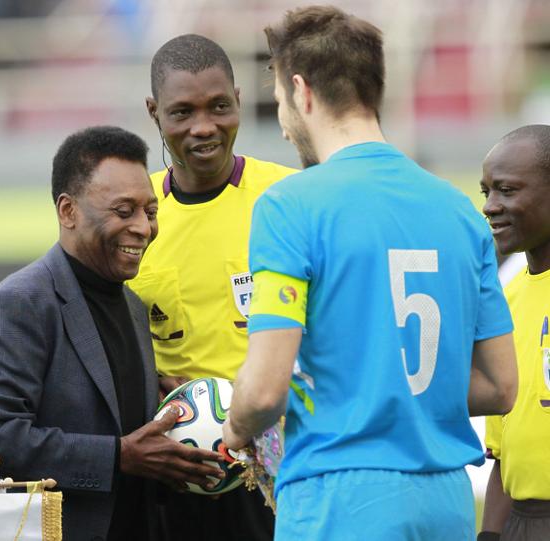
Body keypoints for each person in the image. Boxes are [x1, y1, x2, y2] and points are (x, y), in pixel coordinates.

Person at [221, 6, 518, 540]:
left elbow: (264, 392)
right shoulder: (458, 213)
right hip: (446, 501)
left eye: (282, 104)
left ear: (300, 90)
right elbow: (500, 387)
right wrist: (390, 385)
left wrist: (234, 427)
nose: (285, 127)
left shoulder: (288, 205)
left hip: (339, 496)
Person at [0, 125, 225, 541]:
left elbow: (124, 428)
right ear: (68, 210)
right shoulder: (21, 301)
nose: (143, 229)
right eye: (123, 211)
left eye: (150, 212)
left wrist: (178, 436)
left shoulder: (132, 306)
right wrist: (118, 457)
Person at [127, 34, 296, 540]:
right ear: (154, 113)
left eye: (219, 106)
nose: (205, 127)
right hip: (173, 469)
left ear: (240, 101)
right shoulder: (133, 212)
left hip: (278, 464)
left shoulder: (289, 197)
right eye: (183, 112)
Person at [480, 125, 550, 541]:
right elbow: (503, 458)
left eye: (506, 190)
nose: (490, 206)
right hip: (523, 522)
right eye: (485, 191)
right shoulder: (506, 300)